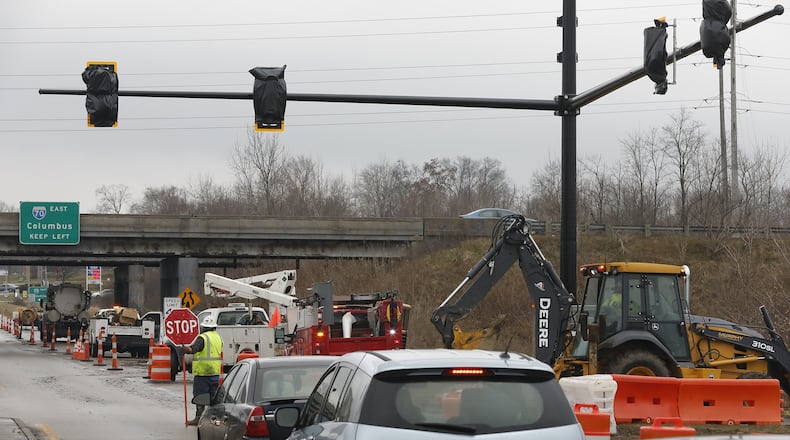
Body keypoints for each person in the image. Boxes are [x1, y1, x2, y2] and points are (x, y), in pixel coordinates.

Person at [181, 315, 224, 426]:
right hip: (214, 372)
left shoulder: (203, 337)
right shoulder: (218, 337)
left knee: (200, 396)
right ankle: (214, 418)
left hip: (203, 372)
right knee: (214, 397)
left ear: (204, 327)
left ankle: (199, 418)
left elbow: (194, 349)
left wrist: (186, 349)